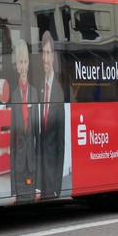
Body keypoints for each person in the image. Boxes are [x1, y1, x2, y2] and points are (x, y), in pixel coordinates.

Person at [38, 31, 66, 199]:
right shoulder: (40, 86)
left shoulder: (58, 92)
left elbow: (61, 144)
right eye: (43, 53)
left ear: (53, 56)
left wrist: (57, 186)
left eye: (48, 53)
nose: (45, 58)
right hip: (41, 175)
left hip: (52, 178)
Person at [10, 39, 38, 203]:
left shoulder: (35, 93)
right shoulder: (14, 96)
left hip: (33, 163)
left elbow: (38, 139)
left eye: (25, 61)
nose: (23, 66)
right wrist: (13, 191)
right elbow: (13, 144)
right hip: (20, 165)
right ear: (17, 65)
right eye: (20, 62)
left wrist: (39, 186)